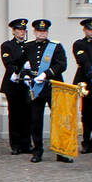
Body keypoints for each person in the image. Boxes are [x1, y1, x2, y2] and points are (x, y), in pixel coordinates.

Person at [21, 20, 69, 163]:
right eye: (39, 31)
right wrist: (25, 74)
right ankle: (37, 151)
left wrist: (46, 74)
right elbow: (22, 64)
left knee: (58, 120)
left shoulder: (56, 47)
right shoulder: (28, 46)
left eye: (44, 31)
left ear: (47, 32)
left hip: (51, 86)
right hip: (36, 88)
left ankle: (61, 152)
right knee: (35, 120)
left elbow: (62, 65)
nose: (42, 34)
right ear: (35, 32)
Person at [1, 19, 31, 155]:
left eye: (23, 30)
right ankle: (15, 144)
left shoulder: (30, 46)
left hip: (26, 83)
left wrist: (26, 73)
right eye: (19, 30)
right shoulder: (7, 46)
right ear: (13, 31)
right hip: (13, 84)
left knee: (27, 114)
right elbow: (8, 63)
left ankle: (26, 143)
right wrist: (19, 71)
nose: (22, 32)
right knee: (14, 114)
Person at [71, 19, 92, 154]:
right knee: (87, 112)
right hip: (86, 82)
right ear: (84, 30)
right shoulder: (79, 44)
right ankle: (86, 142)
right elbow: (83, 60)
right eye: (90, 29)